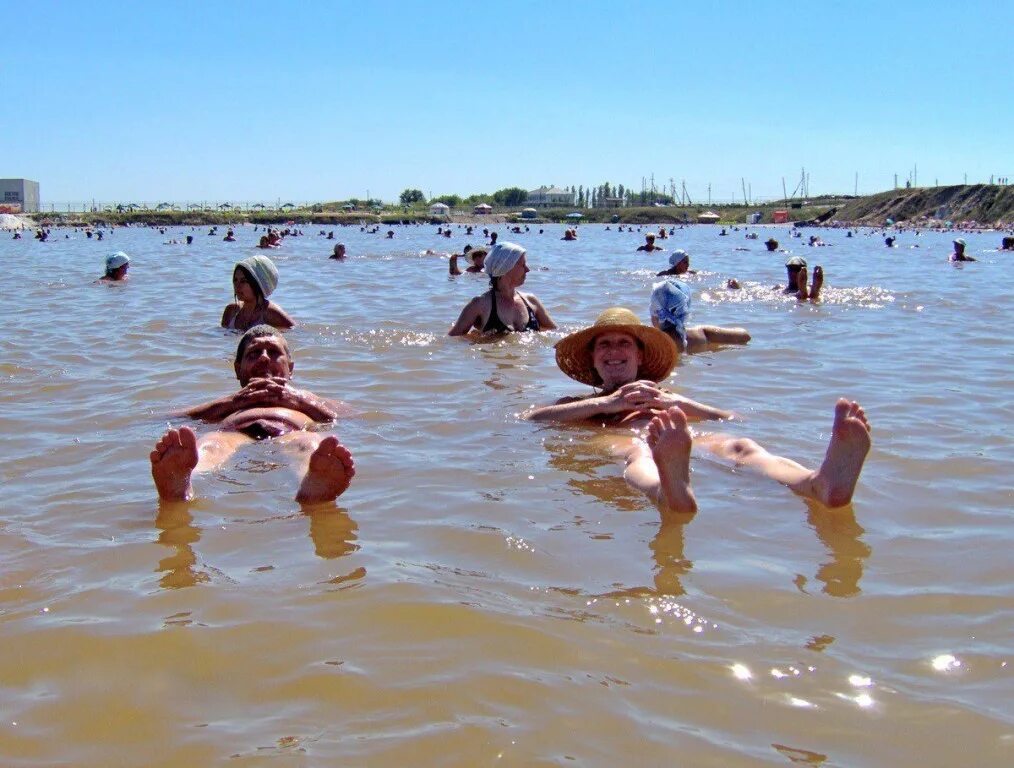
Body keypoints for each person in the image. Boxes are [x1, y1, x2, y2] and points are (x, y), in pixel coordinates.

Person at [525, 308, 871, 515]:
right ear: (593, 359)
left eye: (624, 344)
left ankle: (818, 484)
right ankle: (667, 490)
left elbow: (732, 417)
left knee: (739, 445)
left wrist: (686, 406)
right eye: (605, 345)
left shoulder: (666, 396)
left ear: (640, 357)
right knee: (637, 452)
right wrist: (607, 404)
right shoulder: (578, 404)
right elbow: (530, 418)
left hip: (680, 435)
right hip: (624, 437)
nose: (614, 351)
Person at [149, 325, 354, 504]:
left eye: (273, 352)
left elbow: (357, 416)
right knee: (210, 445)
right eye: (254, 353)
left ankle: (313, 485)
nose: (264, 357)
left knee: (308, 445)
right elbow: (166, 417)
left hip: (291, 431)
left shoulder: (306, 399)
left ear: (290, 368)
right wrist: (234, 402)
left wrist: (299, 401)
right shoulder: (228, 402)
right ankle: (181, 481)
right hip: (234, 432)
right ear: (238, 370)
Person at [448, 242, 557, 336]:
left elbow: (555, 333)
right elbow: (452, 341)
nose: (527, 269)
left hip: (527, 360)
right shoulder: (479, 305)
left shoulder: (531, 301)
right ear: (506, 267)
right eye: (523, 264)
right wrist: (476, 339)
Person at [650, 279, 750, 353]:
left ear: (655, 311)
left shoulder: (646, 342)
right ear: (685, 311)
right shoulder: (702, 334)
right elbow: (745, 336)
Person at [221, 255, 296, 331]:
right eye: (235, 280)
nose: (237, 285)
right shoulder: (231, 311)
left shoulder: (270, 313)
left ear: (258, 284)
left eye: (243, 281)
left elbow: (295, 332)